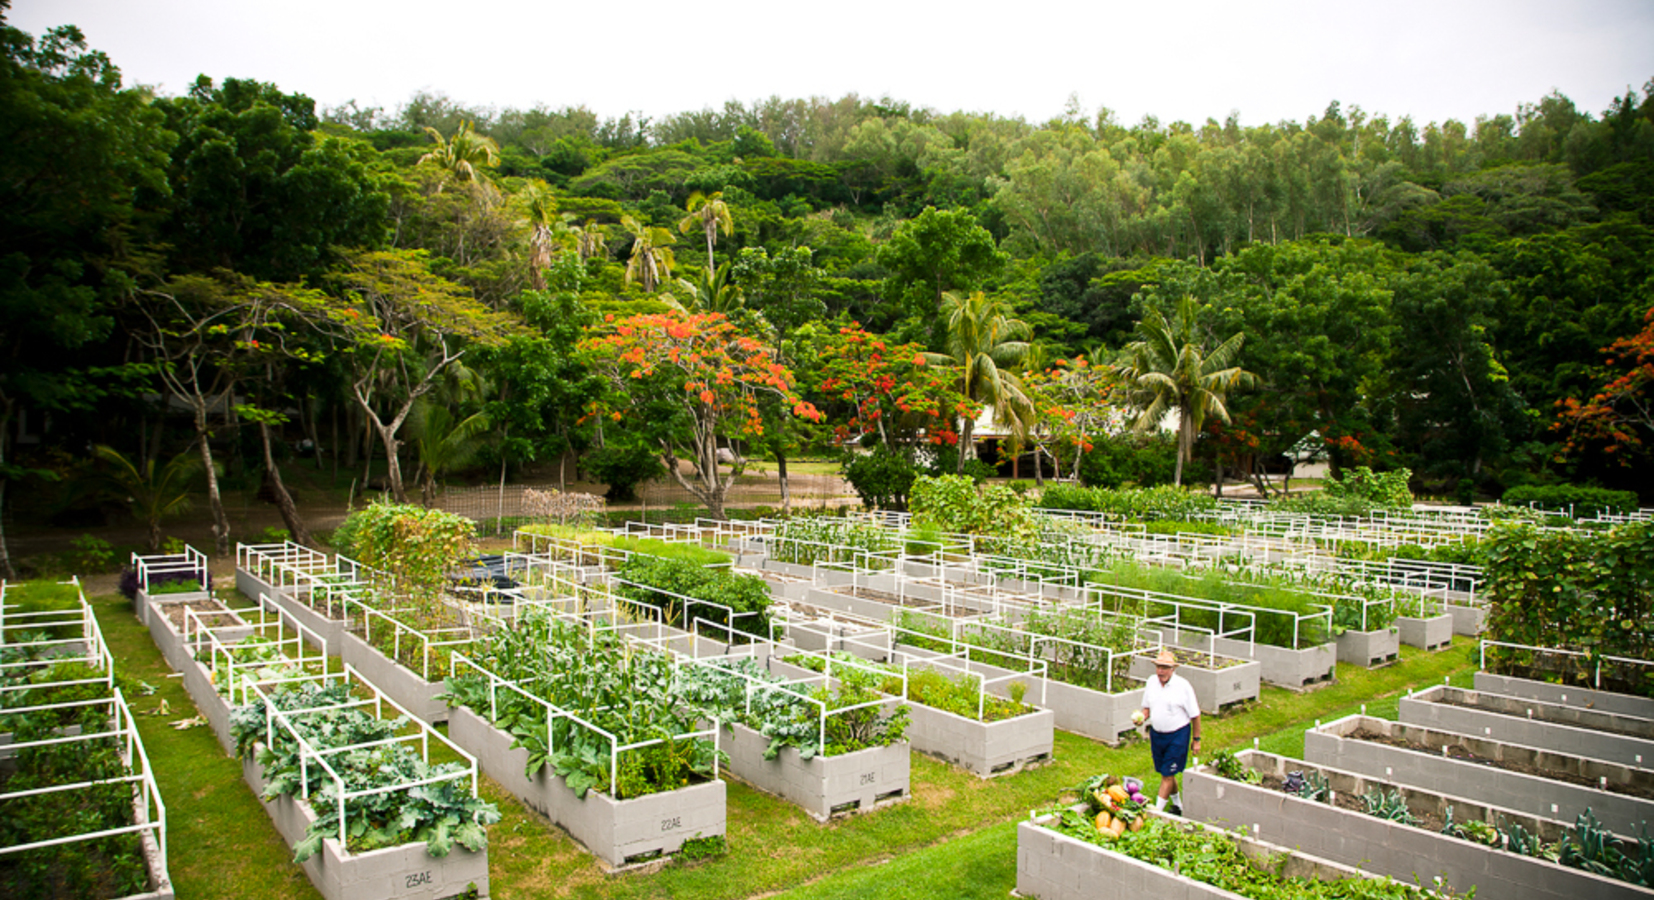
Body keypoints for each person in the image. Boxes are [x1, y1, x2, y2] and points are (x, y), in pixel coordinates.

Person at [1137, 648, 1201, 813]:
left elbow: (1195, 715)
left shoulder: (1183, 686)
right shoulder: (1151, 682)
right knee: (1167, 773)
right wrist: (1141, 718)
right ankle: (1178, 806)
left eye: (1164, 668)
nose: (1160, 671)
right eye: (1158, 667)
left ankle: (1156, 814)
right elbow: (1147, 709)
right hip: (1157, 735)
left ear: (1173, 669)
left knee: (1167, 774)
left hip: (1178, 735)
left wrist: (1196, 740)